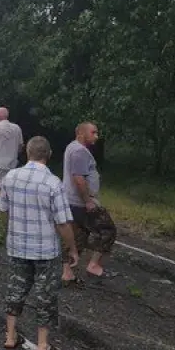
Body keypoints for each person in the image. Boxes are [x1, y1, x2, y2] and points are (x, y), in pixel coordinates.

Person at [0, 136, 79, 350]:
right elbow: (63, 222)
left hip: (17, 245)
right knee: (45, 296)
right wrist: (72, 249)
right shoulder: (53, 183)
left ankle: (10, 336)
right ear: (49, 155)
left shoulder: (11, 177)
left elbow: (3, 207)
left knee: (15, 290)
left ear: (27, 153)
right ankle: (42, 345)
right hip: (45, 250)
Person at [61, 121, 117, 283]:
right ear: (81, 133)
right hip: (81, 202)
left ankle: (67, 272)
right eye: (93, 132)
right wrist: (88, 201)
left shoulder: (72, 147)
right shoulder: (79, 152)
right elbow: (79, 179)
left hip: (71, 201)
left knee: (79, 235)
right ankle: (93, 265)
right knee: (108, 230)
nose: (97, 136)